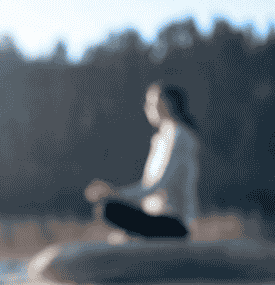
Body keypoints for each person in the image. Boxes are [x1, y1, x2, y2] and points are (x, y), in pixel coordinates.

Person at [85, 82, 201, 239]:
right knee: (107, 208)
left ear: (167, 104)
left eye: (152, 102)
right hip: (155, 217)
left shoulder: (179, 135)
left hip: (175, 223)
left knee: (108, 208)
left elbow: (158, 186)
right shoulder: (160, 139)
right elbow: (146, 189)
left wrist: (113, 193)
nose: (147, 107)